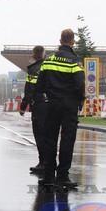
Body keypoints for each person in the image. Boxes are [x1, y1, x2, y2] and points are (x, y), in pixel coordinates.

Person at [37, 29, 85, 189]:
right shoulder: (74, 62)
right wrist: (80, 101)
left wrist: (43, 98)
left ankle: (49, 176)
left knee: (50, 139)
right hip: (69, 105)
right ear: (72, 42)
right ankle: (62, 176)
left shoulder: (48, 60)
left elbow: (40, 83)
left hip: (52, 104)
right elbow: (79, 85)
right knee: (67, 140)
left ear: (60, 40)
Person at [20, 45, 47, 174]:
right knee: (50, 136)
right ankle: (50, 163)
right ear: (44, 54)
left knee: (39, 134)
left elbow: (29, 89)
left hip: (39, 105)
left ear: (34, 55)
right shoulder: (49, 67)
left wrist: (23, 106)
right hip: (52, 105)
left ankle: (43, 163)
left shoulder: (33, 69)